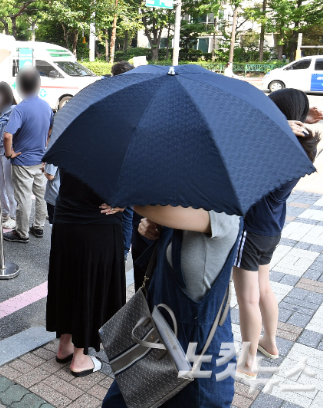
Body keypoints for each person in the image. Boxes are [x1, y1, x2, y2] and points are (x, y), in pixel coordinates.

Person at [103, 205, 242, 407]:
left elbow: (154, 208)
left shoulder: (224, 211)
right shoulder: (183, 209)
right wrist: (152, 229)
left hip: (198, 360)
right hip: (157, 342)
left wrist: (125, 199)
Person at [234, 89, 323, 379]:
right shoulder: (300, 145)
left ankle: (248, 362)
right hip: (271, 230)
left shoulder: (272, 145)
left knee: (247, 297)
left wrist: (280, 122)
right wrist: (296, 119)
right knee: (264, 289)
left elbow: (243, 136)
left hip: (251, 230)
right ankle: (269, 343)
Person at [47, 171, 125, 376]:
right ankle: (80, 357)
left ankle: (65, 345)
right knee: (88, 287)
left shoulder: (73, 139)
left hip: (65, 219)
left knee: (67, 282)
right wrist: (128, 201)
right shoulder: (116, 144)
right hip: (97, 223)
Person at [2, 67, 53, 244]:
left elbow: (8, 135)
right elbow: (52, 129)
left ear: (20, 87)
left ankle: (21, 232)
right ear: (38, 85)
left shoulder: (20, 109)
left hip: (22, 160)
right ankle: (38, 226)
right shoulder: (46, 106)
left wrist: (9, 154)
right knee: (41, 194)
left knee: (23, 197)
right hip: (41, 159)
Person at [110, 61, 135, 260]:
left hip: (122, 161)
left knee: (122, 209)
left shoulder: (116, 99)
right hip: (130, 160)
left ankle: (122, 250)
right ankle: (124, 251)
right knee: (127, 212)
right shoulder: (136, 95)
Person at [0, 81, 18, 230]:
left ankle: (14, 217)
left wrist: (12, 151)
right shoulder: (0, 113)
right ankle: (4, 213)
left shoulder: (15, 110)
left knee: (10, 186)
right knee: (0, 185)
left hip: (8, 155)